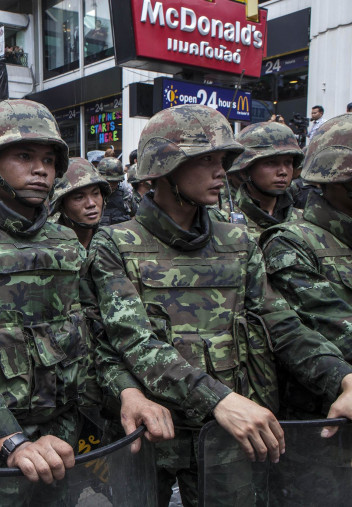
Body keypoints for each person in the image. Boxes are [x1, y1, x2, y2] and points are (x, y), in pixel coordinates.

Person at [85, 104, 352, 507]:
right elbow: (135, 341)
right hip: (158, 437)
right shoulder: (115, 244)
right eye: (204, 160)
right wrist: (219, 400)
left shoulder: (239, 242)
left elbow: (280, 324)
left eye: (222, 160)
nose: (220, 171)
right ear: (163, 168)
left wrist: (341, 377)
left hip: (234, 436)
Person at [0, 99, 171, 484]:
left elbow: (94, 334)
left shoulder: (65, 240)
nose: (40, 170)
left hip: (68, 441)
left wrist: (127, 391)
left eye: (49, 161)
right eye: (25, 156)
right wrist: (10, 440)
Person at [260, 113, 352, 420]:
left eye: (289, 162)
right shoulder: (291, 242)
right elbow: (329, 324)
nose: (282, 171)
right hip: (321, 421)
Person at [217, 121, 304, 238]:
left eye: (288, 162)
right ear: (245, 170)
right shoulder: (221, 219)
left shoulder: (302, 220)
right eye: (271, 163)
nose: (283, 171)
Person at [49, 157, 109, 248]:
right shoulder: (48, 245)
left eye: (96, 193)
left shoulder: (110, 241)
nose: (91, 204)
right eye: (79, 197)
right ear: (61, 204)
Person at [97, 156, 136, 225]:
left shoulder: (125, 193)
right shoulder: (92, 196)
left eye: (116, 181)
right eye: (109, 181)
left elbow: (134, 216)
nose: (112, 185)